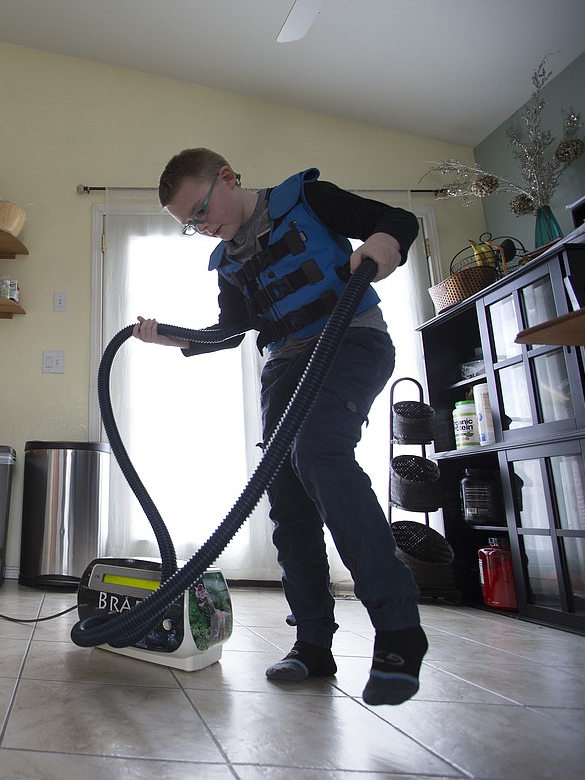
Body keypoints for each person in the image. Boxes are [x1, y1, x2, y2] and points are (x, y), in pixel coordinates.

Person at [134, 148, 427, 706]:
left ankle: (398, 627)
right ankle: (313, 644)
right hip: (285, 366)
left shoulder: (309, 200)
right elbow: (230, 331)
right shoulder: (228, 261)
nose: (200, 228)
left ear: (227, 177)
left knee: (317, 452)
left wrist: (385, 244)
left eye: (200, 210)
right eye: (188, 225)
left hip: (351, 341)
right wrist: (163, 335)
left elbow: (397, 221)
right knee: (288, 498)